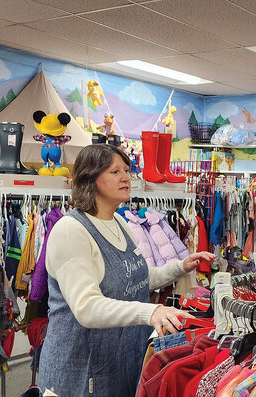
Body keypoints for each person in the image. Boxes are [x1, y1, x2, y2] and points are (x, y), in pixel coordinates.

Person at [38, 144, 215, 396]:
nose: (125, 178)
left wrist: (180, 267)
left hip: (122, 362)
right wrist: (151, 311)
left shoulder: (120, 222)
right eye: (114, 171)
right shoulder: (71, 230)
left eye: (126, 171)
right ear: (90, 178)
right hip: (80, 370)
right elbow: (86, 308)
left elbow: (136, 279)